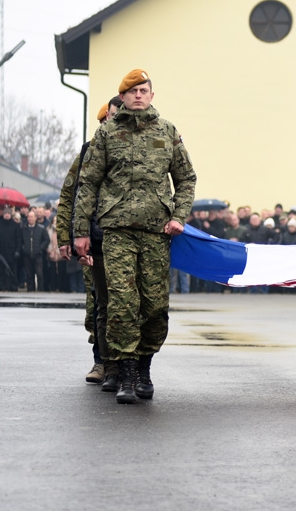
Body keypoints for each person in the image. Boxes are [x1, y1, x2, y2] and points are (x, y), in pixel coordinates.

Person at [73, 69, 197, 404]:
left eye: (143, 90)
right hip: (117, 232)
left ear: (151, 95)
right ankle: (126, 374)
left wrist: (179, 217)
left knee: (155, 306)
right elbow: (88, 184)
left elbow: (186, 178)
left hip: (157, 233)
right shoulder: (107, 133)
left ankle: (144, 367)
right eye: (132, 92)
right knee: (122, 304)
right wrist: (81, 231)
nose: (138, 96)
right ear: (123, 97)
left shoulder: (167, 131)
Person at [57, 96, 121, 386]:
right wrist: (66, 235)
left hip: (121, 238)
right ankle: (101, 361)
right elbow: (69, 194)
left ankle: (123, 364)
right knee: (98, 302)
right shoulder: (87, 151)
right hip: (93, 241)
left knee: (124, 303)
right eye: (112, 116)